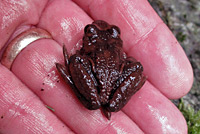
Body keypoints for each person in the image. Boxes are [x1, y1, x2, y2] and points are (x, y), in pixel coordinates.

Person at [0, 0, 193, 133]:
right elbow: (131, 65)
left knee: (75, 61)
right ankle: (107, 101)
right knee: (136, 68)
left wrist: (72, 70)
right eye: (90, 30)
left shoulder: (89, 46)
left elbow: (78, 58)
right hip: (110, 79)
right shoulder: (115, 48)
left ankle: (95, 96)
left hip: (99, 78)